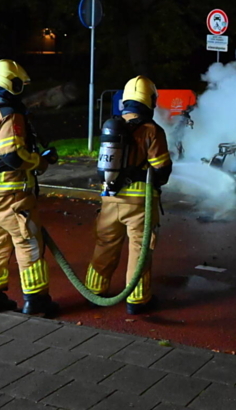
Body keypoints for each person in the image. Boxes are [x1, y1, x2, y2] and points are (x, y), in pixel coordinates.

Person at [0, 59, 59, 317]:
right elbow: (12, 156)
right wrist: (38, 162)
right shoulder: (8, 114)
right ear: (11, 84)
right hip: (11, 193)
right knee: (29, 242)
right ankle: (36, 300)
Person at [85, 75, 172, 314]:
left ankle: (94, 291)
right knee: (139, 249)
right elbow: (162, 170)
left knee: (105, 245)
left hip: (110, 199)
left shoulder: (112, 126)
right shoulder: (151, 130)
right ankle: (137, 299)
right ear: (150, 100)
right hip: (139, 204)